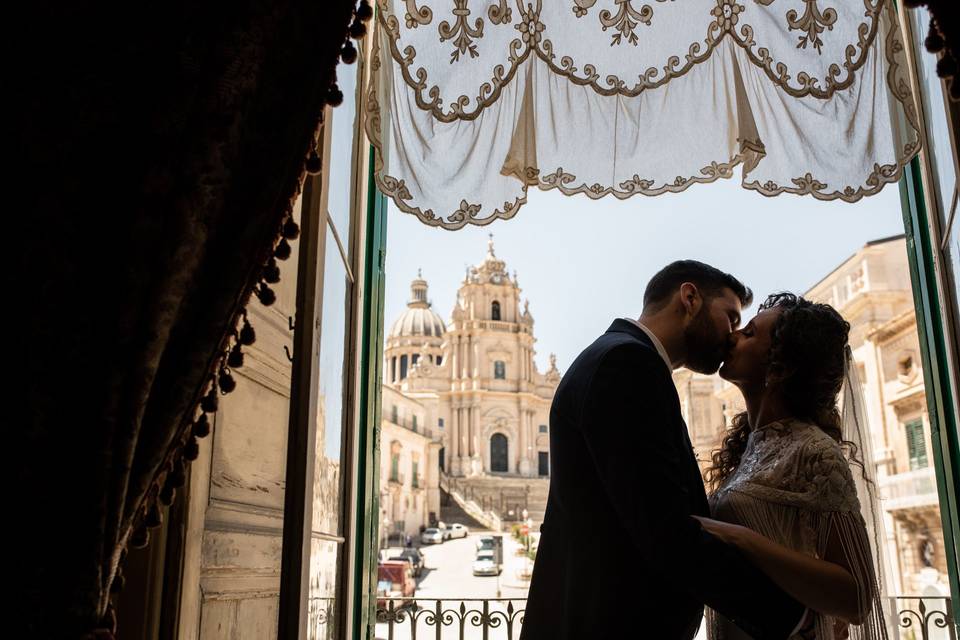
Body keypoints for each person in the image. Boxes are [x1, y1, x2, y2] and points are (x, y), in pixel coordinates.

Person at [521, 261, 805, 640]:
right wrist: (793, 619)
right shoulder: (627, 363)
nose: (732, 335)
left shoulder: (622, 357)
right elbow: (665, 530)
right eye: (731, 317)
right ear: (690, 298)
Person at [696, 293, 888, 640]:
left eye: (750, 333)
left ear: (780, 368)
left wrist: (742, 539)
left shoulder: (815, 452)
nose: (733, 336)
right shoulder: (745, 451)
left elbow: (858, 598)